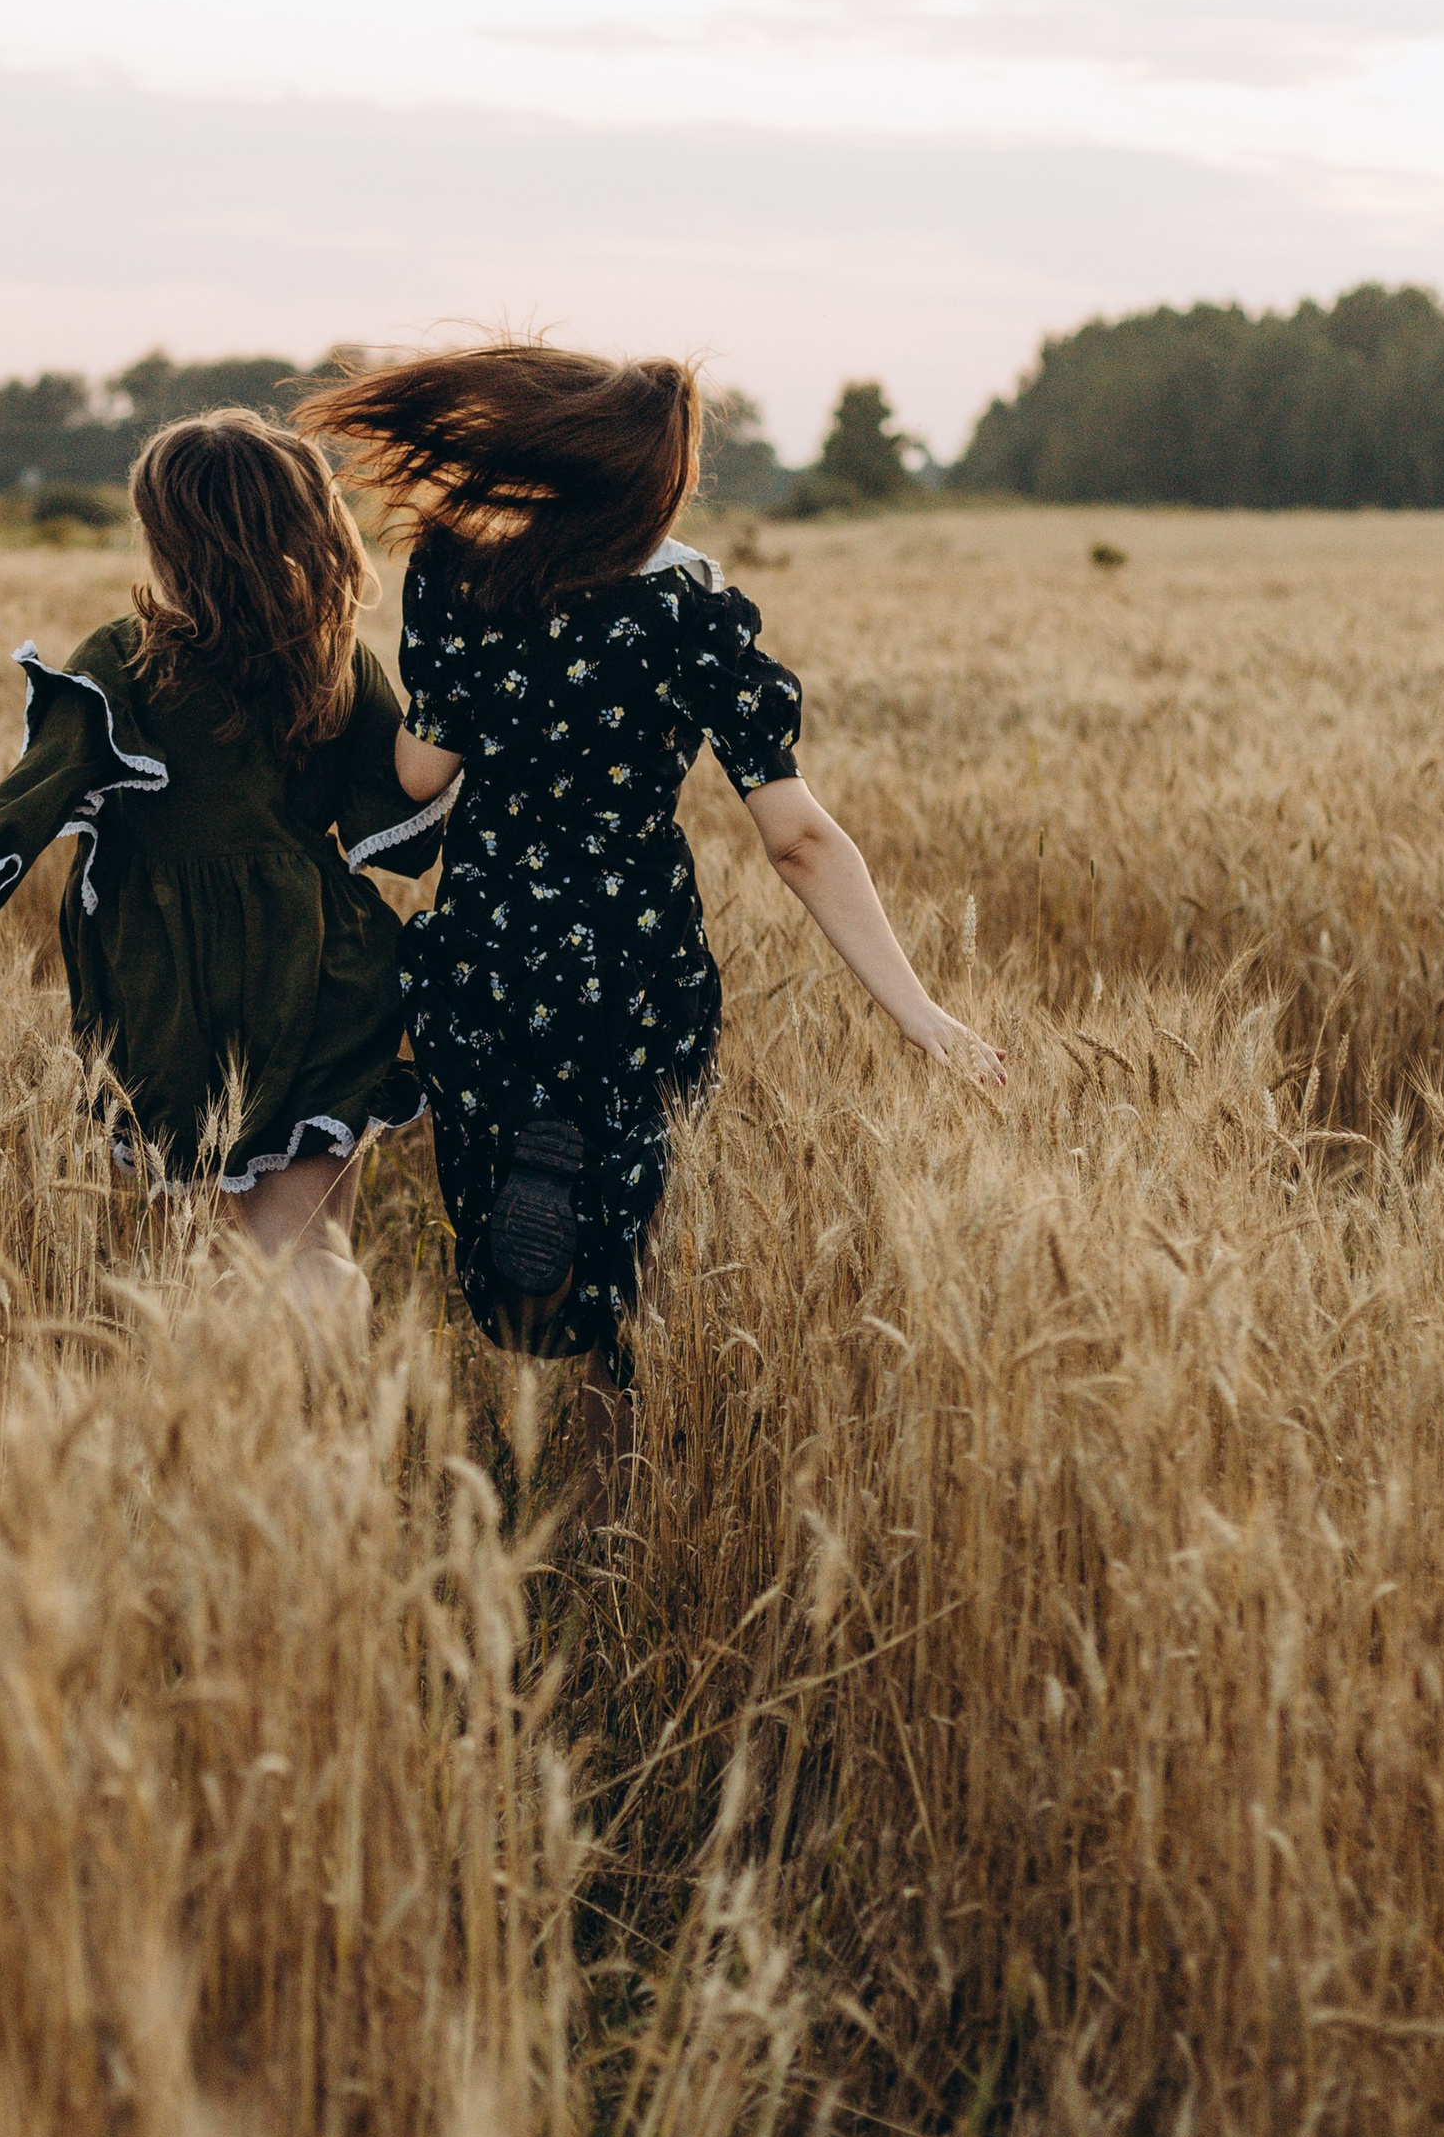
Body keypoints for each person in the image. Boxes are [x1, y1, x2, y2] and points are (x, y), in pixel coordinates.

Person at [299, 341, 1002, 1405]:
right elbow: (797, 838)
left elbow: (418, 774)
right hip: (634, 956)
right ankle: (614, 1421)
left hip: (491, 941)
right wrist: (919, 1012)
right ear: (655, 482)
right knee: (640, 1229)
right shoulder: (694, 609)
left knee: (502, 1222)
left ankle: (526, 1252)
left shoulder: (463, 573)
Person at [0, 408, 456, 1327]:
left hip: (168, 984)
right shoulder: (333, 662)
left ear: (170, 538)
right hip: (322, 969)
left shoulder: (125, 659)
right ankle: (335, 1405)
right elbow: (407, 830)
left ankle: (238, 1415)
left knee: (207, 1262)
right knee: (312, 1252)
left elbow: (32, 799)